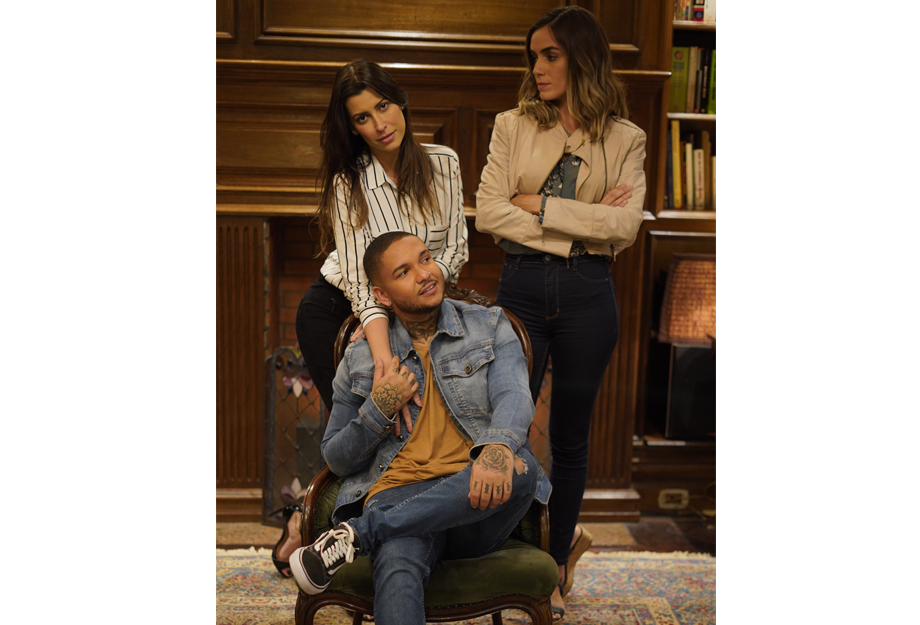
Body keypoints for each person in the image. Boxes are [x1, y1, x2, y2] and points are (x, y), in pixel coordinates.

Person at [475, 6, 647, 621]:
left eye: (551, 55)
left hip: (588, 295)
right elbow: (490, 211)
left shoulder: (626, 138)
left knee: (571, 438)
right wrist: (584, 220)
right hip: (520, 287)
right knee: (506, 429)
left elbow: (625, 226)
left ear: (583, 57)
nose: (538, 67)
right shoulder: (512, 124)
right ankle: (506, 557)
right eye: (534, 56)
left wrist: (539, 206)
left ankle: (551, 566)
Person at [288, 231, 552, 625]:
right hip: (398, 494)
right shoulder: (361, 357)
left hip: (476, 494)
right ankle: (375, 531)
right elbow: (337, 459)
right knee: (398, 558)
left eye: (426, 259)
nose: (425, 273)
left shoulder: (489, 325)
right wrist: (379, 408)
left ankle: (359, 534)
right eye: (404, 271)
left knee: (520, 467)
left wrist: (497, 447)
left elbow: (514, 395)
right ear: (382, 295)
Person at [274, 59, 470, 577]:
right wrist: (383, 357)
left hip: (415, 306)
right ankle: (324, 524)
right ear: (352, 127)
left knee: (407, 429)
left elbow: (455, 250)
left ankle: (341, 528)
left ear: (400, 101)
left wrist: (412, 294)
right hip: (341, 308)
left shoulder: (444, 163)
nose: (380, 124)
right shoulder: (349, 182)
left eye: (383, 106)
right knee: (364, 433)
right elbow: (361, 282)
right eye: (362, 117)